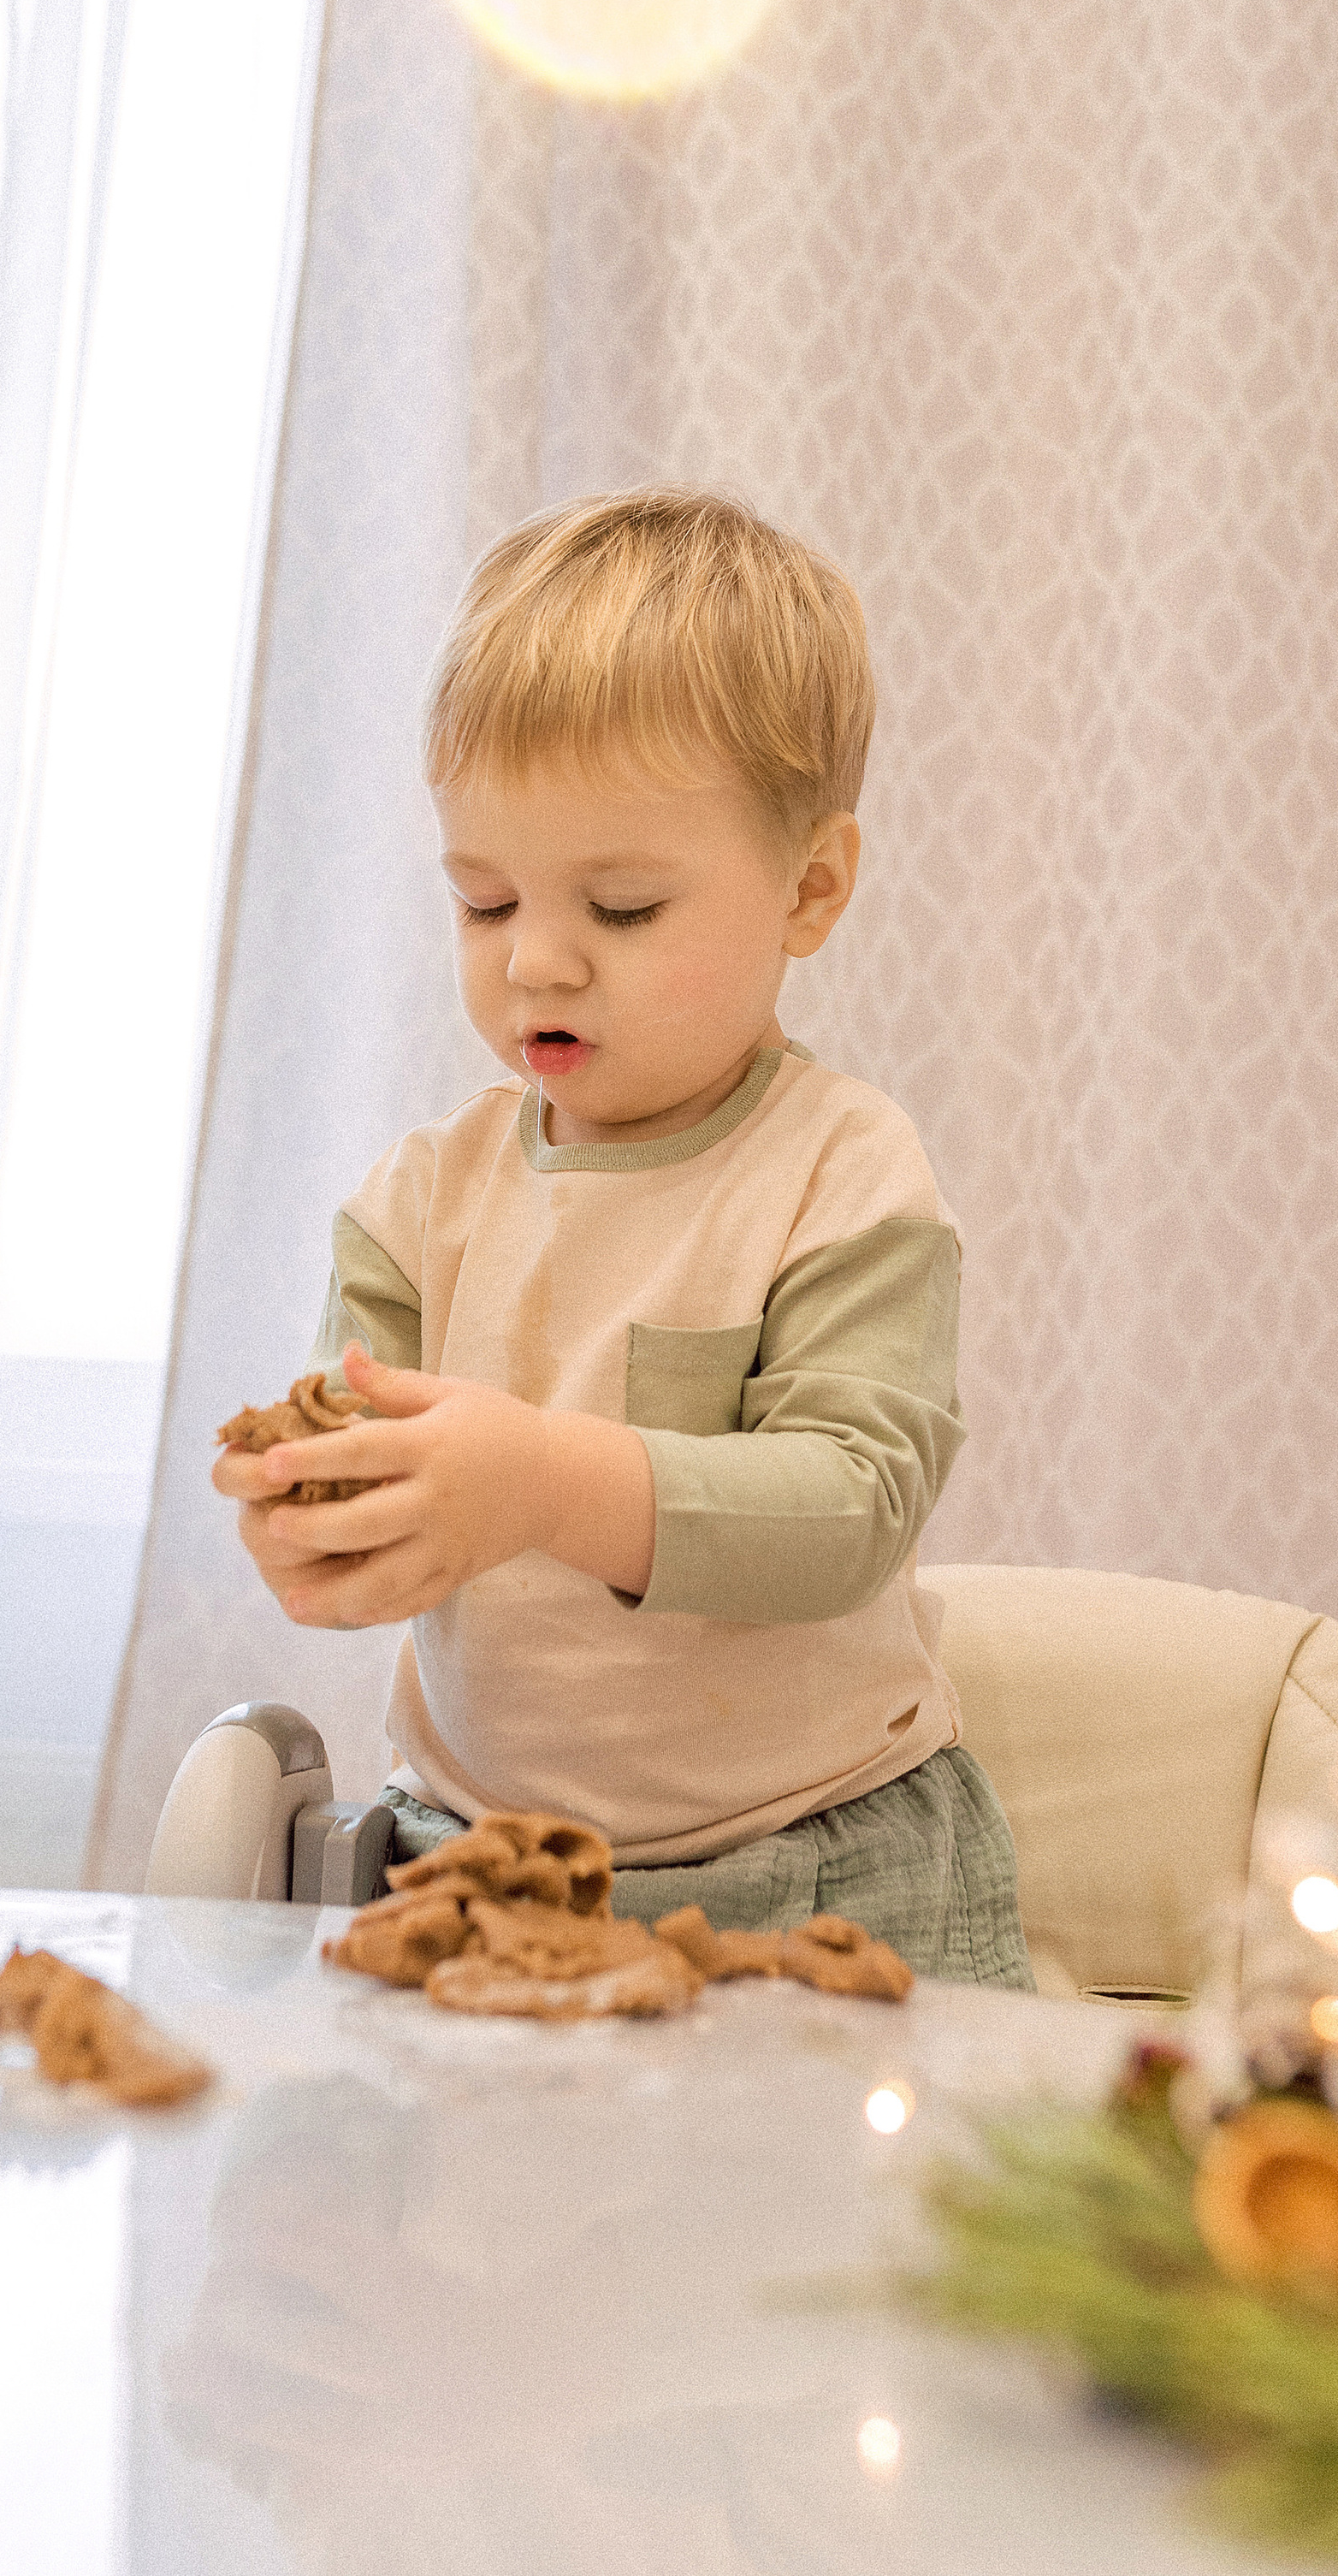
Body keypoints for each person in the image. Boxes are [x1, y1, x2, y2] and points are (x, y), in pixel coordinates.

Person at [214, 489, 1032, 1987]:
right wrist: (328, 1524)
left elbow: (852, 1506)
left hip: (820, 1861)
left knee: (832, 2230)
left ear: (811, 885)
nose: (534, 955)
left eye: (625, 902)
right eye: (485, 898)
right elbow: (372, 1487)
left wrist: (530, 1480)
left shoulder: (842, 1171)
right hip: (475, 1855)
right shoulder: (419, 1204)